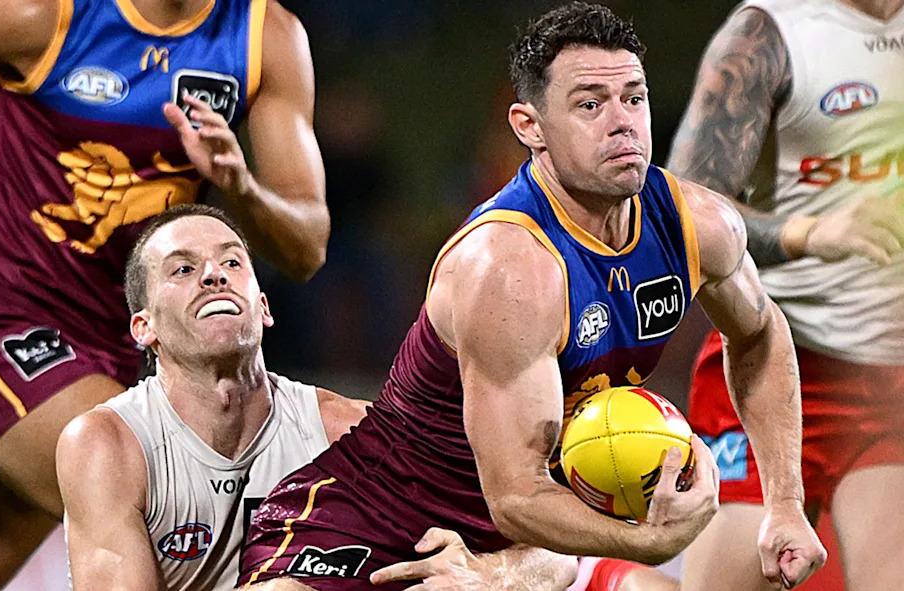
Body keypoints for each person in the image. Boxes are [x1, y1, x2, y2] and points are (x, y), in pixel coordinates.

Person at [236, 3, 826, 590]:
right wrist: (651, 541)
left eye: (634, 98)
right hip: (376, 520)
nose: (622, 122)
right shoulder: (509, 269)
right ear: (529, 127)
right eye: (590, 104)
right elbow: (515, 495)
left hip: (527, 551)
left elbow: (760, 333)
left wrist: (784, 501)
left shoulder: (700, 224)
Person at [0, 1, 329, 589]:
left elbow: (307, 247)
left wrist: (241, 186)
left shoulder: (265, 38)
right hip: (7, 323)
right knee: (170, 510)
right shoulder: (44, 13)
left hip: (134, 351)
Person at [57, 204, 578, 591]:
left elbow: (554, 553)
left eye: (233, 263)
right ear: (143, 327)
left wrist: (491, 576)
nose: (214, 275)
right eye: (183, 269)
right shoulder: (109, 445)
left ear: (263, 307)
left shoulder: (346, 433)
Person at [667, 1, 904, 590]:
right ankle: (593, 578)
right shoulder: (769, 32)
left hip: (889, 383)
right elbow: (686, 212)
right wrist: (812, 233)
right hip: (776, 366)